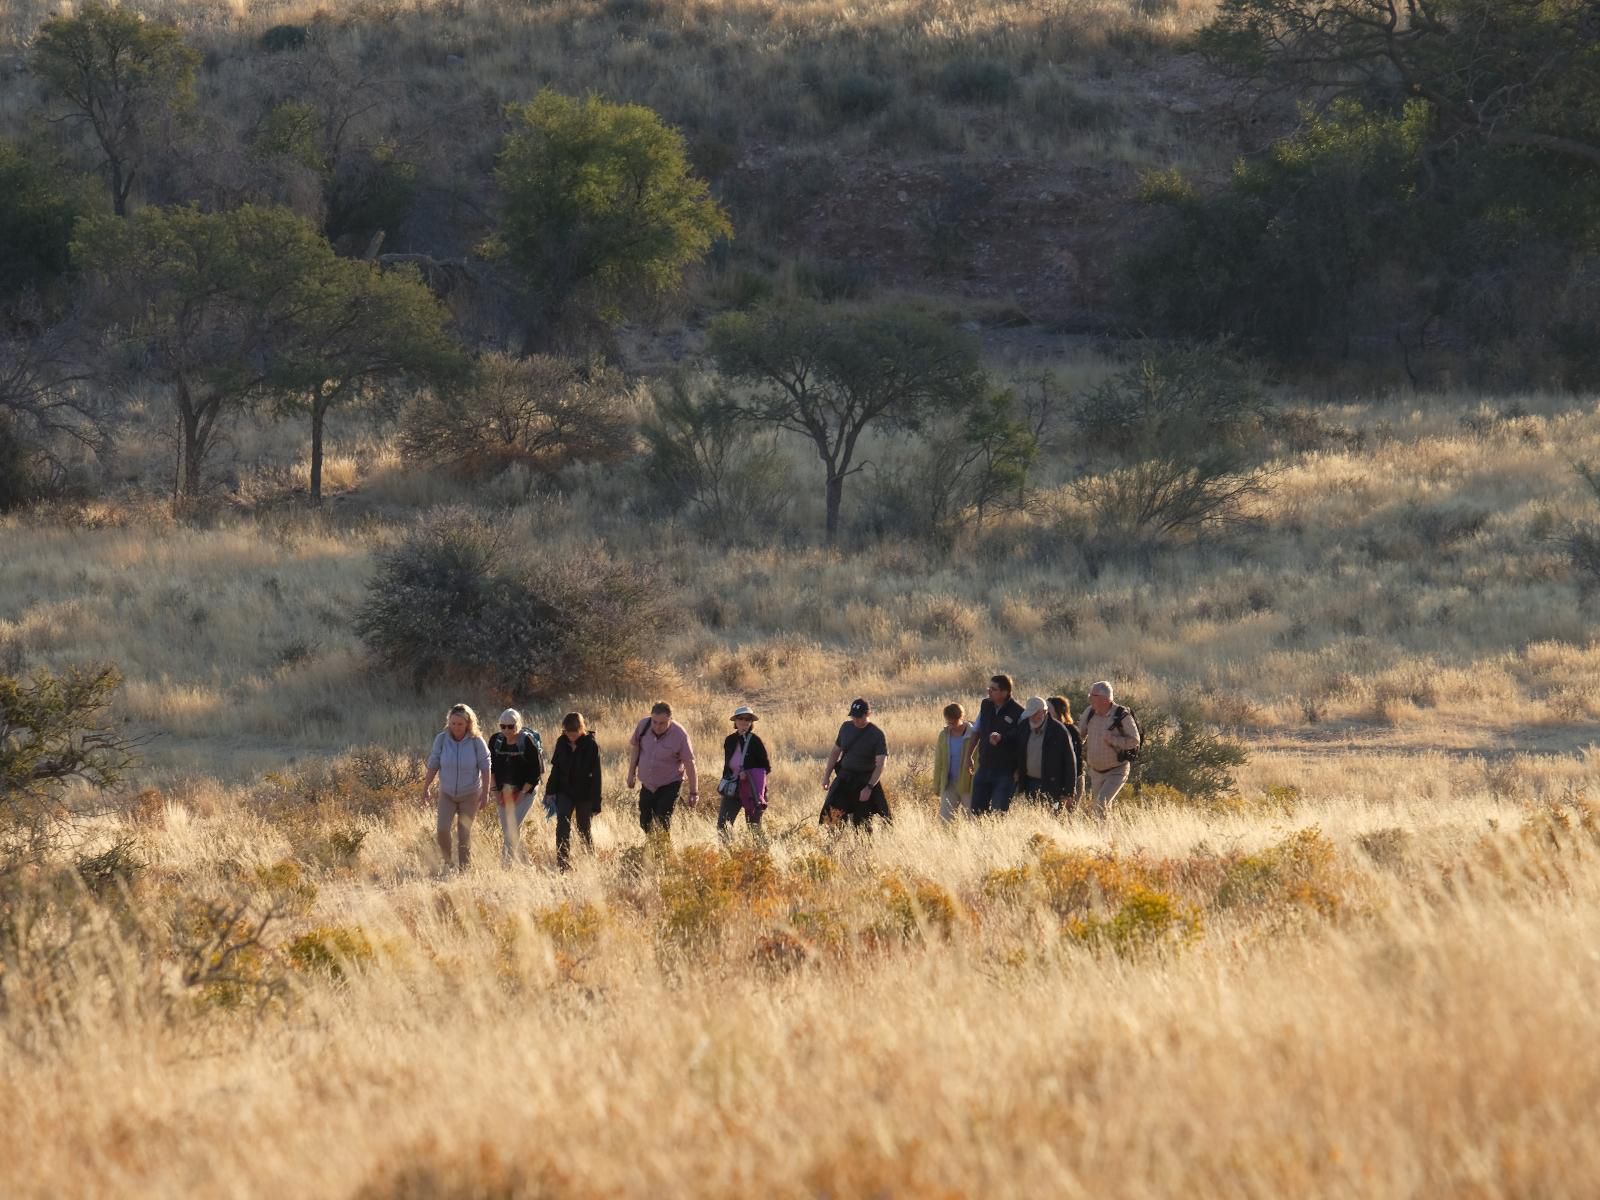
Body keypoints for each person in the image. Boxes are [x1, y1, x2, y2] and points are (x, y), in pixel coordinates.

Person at [421, 703, 492, 872]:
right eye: (453, 723)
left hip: (470, 794)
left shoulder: (476, 741)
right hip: (447, 794)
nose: (456, 727)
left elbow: (485, 766)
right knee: (442, 830)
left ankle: (464, 870)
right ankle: (448, 863)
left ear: (468, 723)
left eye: (460, 724)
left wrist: (486, 792)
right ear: (449, 722)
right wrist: (426, 787)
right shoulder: (442, 739)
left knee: (463, 833)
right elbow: (434, 763)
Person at [626, 701, 698, 842]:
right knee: (645, 821)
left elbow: (690, 763)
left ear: (670, 720)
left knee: (662, 819)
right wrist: (631, 774)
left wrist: (694, 792)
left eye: (662, 723)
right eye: (655, 722)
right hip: (647, 784)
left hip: (670, 783)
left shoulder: (680, 735)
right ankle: (652, 847)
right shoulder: (643, 726)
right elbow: (636, 749)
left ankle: (664, 853)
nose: (658, 726)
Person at [820, 698, 891, 829]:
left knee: (862, 823)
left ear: (868, 714)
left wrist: (869, 787)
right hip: (845, 778)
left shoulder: (877, 734)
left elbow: (881, 764)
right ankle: (836, 844)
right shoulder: (846, 728)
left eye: (859, 717)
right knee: (832, 817)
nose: (856, 720)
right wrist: (826, 776)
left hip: (865, 781)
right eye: (853, 716)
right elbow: (835, 752)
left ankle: (863, 846)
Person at [545, 711, 602, 871]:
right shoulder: (561, 743)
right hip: (565, 792)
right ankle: (563, 864)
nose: (571, 737)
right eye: (568, 733)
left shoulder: (591, 745)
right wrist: (550, 791)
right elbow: (555, 768)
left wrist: (596, 803)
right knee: (562, 827)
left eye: (574, 733)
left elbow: (597, 775)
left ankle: (590, 860)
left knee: (583, 828)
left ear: (581, 729)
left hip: (585, 794)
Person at [488, 708, 543, 865]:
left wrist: (521, 794)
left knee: (511, 827)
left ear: (518, 725)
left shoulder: (527, 742)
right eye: (502, 726)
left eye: (510, 726)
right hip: (502, 790)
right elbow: (490, 767)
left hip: (525, 790)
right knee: (509, 830)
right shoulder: (495, 741)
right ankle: (526, 864)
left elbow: (535, 773)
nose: (506, 730)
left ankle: (505, 865)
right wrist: (494, 792)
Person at [1079, 681, 1140, 818]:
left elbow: (1135, 741)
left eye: (1092, 695)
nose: (1089, 698)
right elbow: (1080, 736)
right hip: (1095, 772)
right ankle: (1106, 837)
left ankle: (1104, 836)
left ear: (1104, 699)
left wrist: (1113, 739)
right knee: (1101, 810)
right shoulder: (1089, 712)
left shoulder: (1122, 715)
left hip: (1117, 771)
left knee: (1100, 804)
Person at [965, 673, 1025, 815]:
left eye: (993, 689)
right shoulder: (985, 705)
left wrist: (1019, 769)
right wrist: (969, 756)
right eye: (989, 688)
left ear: (1005, 692)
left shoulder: (1019, 712)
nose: (989, 691)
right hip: (984, 767)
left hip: (1005, 772)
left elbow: (1022, 742)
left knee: (998, 813)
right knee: (977, 811)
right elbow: (976, 731)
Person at [1016, 696, 1077, 813]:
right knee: (1034, 817)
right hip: (1030, 784)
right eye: (1031, 714)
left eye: (1035, 714)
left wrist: (1068, 792)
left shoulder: (1059, 731)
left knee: (1054, 815)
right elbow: (1016, 749)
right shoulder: (1024, 726)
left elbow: (1070, 762)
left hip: (1053, 786)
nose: (1032, 718)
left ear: (1044, 712)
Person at [718, 705, 770, 842]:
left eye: (748, 719)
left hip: (751, 790)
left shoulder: (755, 741)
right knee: (722, 825)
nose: (744, 721)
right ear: (735, 721)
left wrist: (748, 774)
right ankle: (727, 856)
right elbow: (727, 765)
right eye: (741, 718)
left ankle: (762, 856)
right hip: (733, 788)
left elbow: (766, 767)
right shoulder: (729, 740)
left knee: (754, 827)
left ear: (751, 723)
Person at [935, 702, 974, 822]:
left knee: (972, 820)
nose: (950, 725)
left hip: (968, 784)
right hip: (949, 783)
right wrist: (937, 785)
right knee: (944, 821)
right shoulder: (943, 735)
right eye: (948, 722)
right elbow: (939, 762)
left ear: (961, 717)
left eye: (953, 722)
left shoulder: (973, 734)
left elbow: (978, 761)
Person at [1047, 695, 1085, 807]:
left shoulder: (1071, 731)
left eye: (1048, 710)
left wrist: (1069, 789)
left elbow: (1076, 760)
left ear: (1058, 711)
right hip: (1053, 782)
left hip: (1072, 781)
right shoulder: (1045, 730)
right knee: (1054, 813)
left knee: (1068, 815)